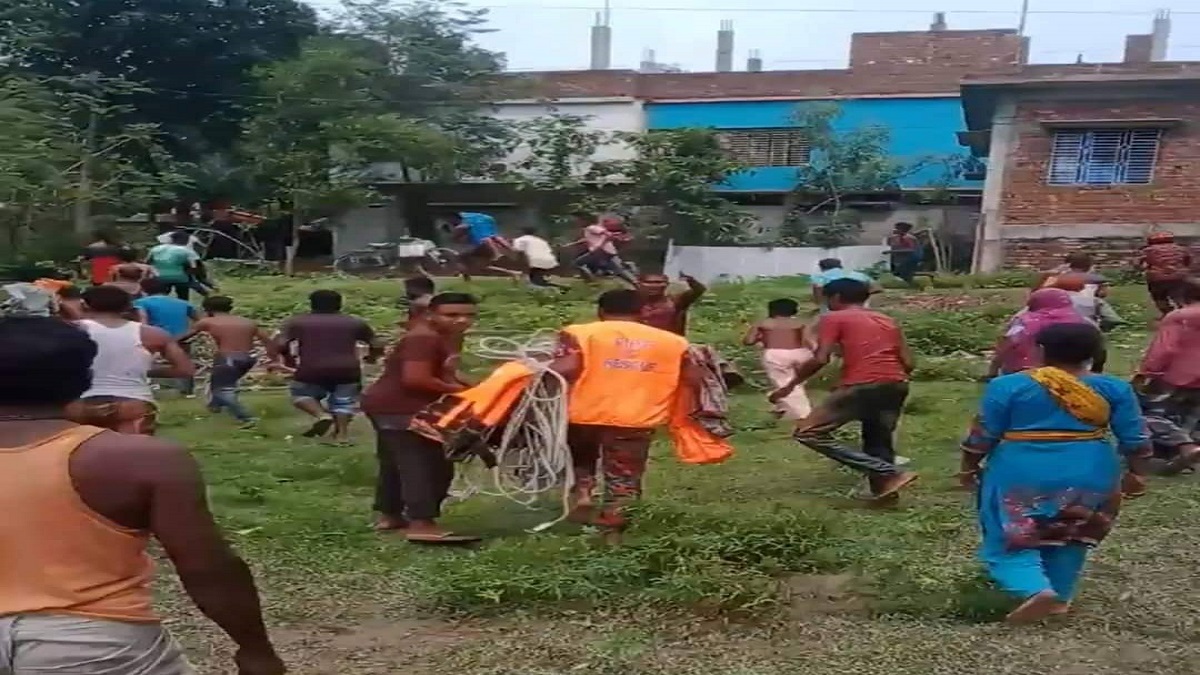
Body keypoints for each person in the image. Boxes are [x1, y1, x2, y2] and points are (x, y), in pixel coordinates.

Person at [0, 317, 285, 675]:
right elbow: (208, 567)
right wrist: (255, 647)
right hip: (91, 643)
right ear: (85, 377)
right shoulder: (139, 459)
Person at [960, 323, 1150, 624]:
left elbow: (983, 434)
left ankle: (1035, 589)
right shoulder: (1115, 388)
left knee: (1011, 536)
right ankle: (1059, 598)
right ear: (1094, 353)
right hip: (1091, 467)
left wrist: (968, 468)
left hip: (1021, 469)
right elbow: (1135, 439)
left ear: (1041, 351)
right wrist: (1138, 474)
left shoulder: (1008, 385)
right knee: (1073, 531)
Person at [548, 289, 700, 536]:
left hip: (584, 412)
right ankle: (615, 527)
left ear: (600, 311)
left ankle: (584, 492)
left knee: (579, 456)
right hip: (637, 416)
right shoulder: (673, 341)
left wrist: (531, 370)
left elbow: (568, 367)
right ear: (643, 312)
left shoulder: (579, 333)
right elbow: (693, 378)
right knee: (624, 474)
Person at [769, 278, 919, 502]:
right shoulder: (887, 319)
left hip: (863, 384)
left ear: (836, 297)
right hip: (896, 383)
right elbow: (908, 362)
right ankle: (886, 492)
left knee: (808, 432)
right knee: (878, 438)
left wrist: (790, 385)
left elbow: (821, 358)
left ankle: (889, 472)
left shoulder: (834, 317)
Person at [360, 292, 478, 541]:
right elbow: (416, 379)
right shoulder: (423, 338)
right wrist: (464, 393)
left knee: (395, 462)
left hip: (388, 405)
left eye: (469, 315)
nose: (462, 321)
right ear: (430, 314)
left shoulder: (446, 337)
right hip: (400, 407)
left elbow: (447, 374)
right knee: (426, 462)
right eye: (452, 315)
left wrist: (479, 388)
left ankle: (391, 515)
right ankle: (422, 523)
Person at [65, 285, 194, 435]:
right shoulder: (153, 334)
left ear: (84, 304)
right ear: (127, 307)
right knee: (135, 454)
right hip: (134, 401)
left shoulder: (70, 330)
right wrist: (146, 371)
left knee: (83, 452)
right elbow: (186, 369)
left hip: (81, 402)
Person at [275, 290, 383, 444]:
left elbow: (281, 343)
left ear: (312, 303)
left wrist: (288, 359)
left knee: (301, 395)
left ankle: (321, 415)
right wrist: (371, 358)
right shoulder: (354, 322)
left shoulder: (297, 322)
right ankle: (342, 436)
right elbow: (377, 343)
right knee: (344, 402)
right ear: (340, 303)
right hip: (347, 369)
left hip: (311, 368)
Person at [1134, 277, 1200, 474]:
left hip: (1179, 374)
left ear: (1179, 297)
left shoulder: (1179, 317)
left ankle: (1184, 446)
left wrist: (1147, 371)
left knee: (1149, 413)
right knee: (1191, 415)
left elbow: (1165, 349)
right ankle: (1185, 451)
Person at [179, 296, 279, 426]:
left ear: (207, 309)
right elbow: (268, 341)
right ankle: (214, 407)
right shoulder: (247, 322)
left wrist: (169, 343)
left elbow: (185, 337)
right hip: (248, 358)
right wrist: (274, 359)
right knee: (218, 382)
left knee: (223, 390)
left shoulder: (207, 322)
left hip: (227, 358)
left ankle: (246, 417)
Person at [986, 288, 1093, 379]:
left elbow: (1008, 343)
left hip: (1025, 371)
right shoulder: (1080, 320)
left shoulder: (1024, 321)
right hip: (1071, 371)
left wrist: (993, 370)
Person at [743, 298, 814, 420]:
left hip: (776, 354)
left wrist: (760, 337)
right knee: (796, 381)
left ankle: (804, 414)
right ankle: (781, 406)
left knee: (786, 382)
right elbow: (808, 341)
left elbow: (748, 341)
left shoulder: (763, 323)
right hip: (800, 353)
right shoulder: (800, 323)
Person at [135, 278, 200, 396]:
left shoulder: (141, 303)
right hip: (182, 338)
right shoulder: (183, 303)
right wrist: (188, 334)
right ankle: (188, 391)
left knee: (148, 363)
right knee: (184, 362)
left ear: (143, 289)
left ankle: (149, 388)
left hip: (155, 338)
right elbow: (200, 321)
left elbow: (142, 320)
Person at [1036, 252, 1122, 331]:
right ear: (1089, 265)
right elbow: (1102, 294)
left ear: (1067, 264)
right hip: (1086, 321)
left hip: (1054, 321)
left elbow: (1039, 294)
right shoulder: (1096, 279)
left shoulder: (1056, 278)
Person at [446, 212, 519, 281]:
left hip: (484, 246)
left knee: (461, 258)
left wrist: (454, 235)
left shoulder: (463, 226)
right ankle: (512, 273)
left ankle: (465, 276)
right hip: (488, 243)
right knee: (482, 266)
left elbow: (456, 236)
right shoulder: (471, 217)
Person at [1136, 231, 1192, 316]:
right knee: (1179, 297)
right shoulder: (1181, 248)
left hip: (1156, 277)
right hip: (1179, 276)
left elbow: (1137, 263)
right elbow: (1188, 260)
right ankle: (1185, 313)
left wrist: (1142, 269)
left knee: (1159, 298)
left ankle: (1167, 314)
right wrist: (1182, 268)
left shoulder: (1148, 250)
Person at [571, 214, 637, 286]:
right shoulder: (590, 229)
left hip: (599, 251)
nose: (577, 222)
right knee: (618, 269)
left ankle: (591, 281)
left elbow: (607, 234)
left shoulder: (591, 227)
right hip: (607, 251)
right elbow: (587, 239)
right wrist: (569, 245)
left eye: (579, 221)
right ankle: (636, 282)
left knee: (577, 263)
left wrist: (602, 243)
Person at [637, 272, 706, 336]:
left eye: (658, 282)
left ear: (667, 284)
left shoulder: (675, 301)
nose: (653, 286)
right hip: (640, 341)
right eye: (648, 282)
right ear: (640, 284)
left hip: (669, 342)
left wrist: (689, 279)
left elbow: (699, 290)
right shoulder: (633, 301)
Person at [811, 258, 881, 314]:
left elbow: (818, 289)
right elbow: (876, 288)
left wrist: (821, 304)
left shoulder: (820, 276)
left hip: (836, 303)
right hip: (859, 302)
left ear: (822, 267)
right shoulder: (857, 274)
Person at [147, 230, 202, 300]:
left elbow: (148, 262)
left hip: (160, 277)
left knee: (160, 297)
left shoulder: (155, 248)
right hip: (180, 277)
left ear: (171, 239)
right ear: (186, 240)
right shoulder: (188, 251)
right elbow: (194, 267)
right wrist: (191, 279)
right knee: (183, 297)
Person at [512, 226, 567, 291]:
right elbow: (550, 251)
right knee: (537, 279)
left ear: (522, 232)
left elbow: (518, 252)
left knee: (534, 282)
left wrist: (523, 266)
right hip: (550, 261)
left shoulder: (519, 239)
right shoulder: (541, 240)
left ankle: (552, 289)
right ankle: (559, 286)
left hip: (535, 262)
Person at [885, 222, 921, 286]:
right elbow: (891, 245)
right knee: (899, 275)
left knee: (905, 276)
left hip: (909, 259)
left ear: (903, 229)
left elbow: (910, 250)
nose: (895, 230)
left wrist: (892, 251)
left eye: (897, 228)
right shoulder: (896, 237)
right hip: (899, 260)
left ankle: (909, 288)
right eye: (895, 228)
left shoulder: (909, 238)